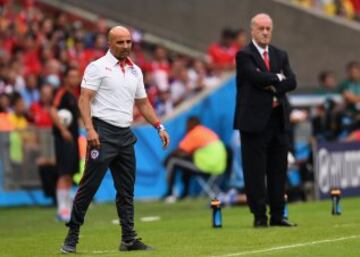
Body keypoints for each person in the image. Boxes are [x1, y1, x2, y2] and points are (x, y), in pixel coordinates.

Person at [60, 26, 170, 254]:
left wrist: (159, 126)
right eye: (120, 42)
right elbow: (84, 100)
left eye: (128, 42)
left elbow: (143, 103)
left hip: (125, 134)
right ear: (109, 43)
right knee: (89, 187)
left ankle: (128, 239)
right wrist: (89, 129)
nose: (126, 46)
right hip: (102, 134)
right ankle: (71, 236)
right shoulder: (97, 67)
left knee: (126, 191)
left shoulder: (135, 71)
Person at [233, 13, 297, 228]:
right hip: (253, 123)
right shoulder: (244, 55)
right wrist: (277, 77)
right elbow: (254, 76)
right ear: (252, 30)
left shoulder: (280, 54)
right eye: (261, 28)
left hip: (277, 120)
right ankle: (259, 216)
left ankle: (278, 215)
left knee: (278, 170)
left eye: (268, 28)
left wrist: (272, 81)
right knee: (255, 171)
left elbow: (292, 81)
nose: (265, 32)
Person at [163, 117, 227, 201]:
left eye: (187, 125)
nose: (186, 128)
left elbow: (179, 151)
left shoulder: (194, 133)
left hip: (205, 167)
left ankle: (170, 193)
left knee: (172, 161)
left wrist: (166, 159)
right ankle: (185, 194)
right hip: (220, 167)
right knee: (185, 165)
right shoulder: (207, 131)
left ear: (190, 124)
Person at [50, 68, 81, 222]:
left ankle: (67, 208)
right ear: (66, 78)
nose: (75, 79)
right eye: (72, 76)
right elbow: (52, 110)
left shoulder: (74, 96)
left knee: (69, 174)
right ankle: (61, 210)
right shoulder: (61, 93)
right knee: (63, 173)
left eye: (77, 76)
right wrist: (63, 130)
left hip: (73, 139)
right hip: (64, 139)